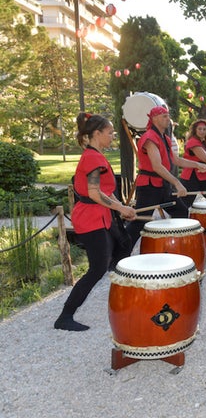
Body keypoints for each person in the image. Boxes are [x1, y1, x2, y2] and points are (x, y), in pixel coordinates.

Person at [54, 113, 137, 331]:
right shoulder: (92, 158)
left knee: (121, 250)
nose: (113, 137)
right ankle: (65, 316)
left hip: (102, 216)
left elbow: (107, 191)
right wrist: (121, 208)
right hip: (91, 219)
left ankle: (124, 299)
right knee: (98, 268)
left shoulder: (95, 155)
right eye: (110, 133)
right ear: (97, 134)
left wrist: (123, 209)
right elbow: (94, 192)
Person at [126, 106, 206, 247]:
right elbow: (157, 166)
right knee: (140, 222)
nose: (168, 118)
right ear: (154, 119)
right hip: (149, 187)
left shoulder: (164, 137)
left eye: (167, 115)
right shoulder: (150, 138)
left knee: (181, 211)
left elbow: (176, 160)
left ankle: (175, 245)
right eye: (164, 116)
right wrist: (177, 183)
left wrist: (197, 165)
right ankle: (118, 256)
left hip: (162, 186)